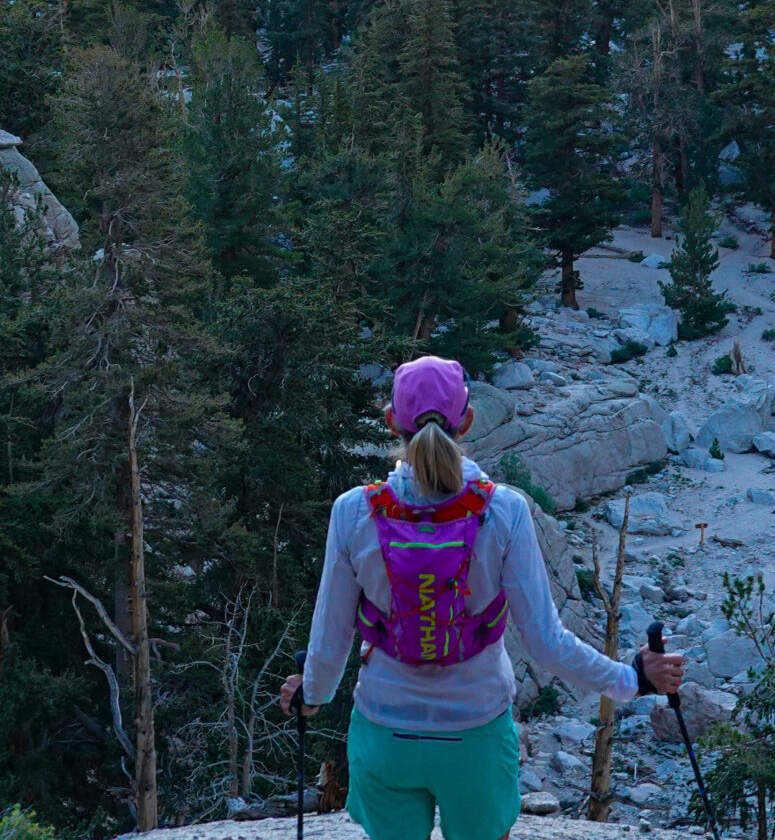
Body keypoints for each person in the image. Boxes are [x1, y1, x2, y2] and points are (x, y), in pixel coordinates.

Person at [280, 355, 685, 840]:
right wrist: (633, 680)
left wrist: (310, 695)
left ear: (391, 422)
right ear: (468, 420)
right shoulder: (504, 510)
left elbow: (330, 638)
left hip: (385, 732)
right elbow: (547, 642)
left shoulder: (353, 512)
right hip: (476, 732)